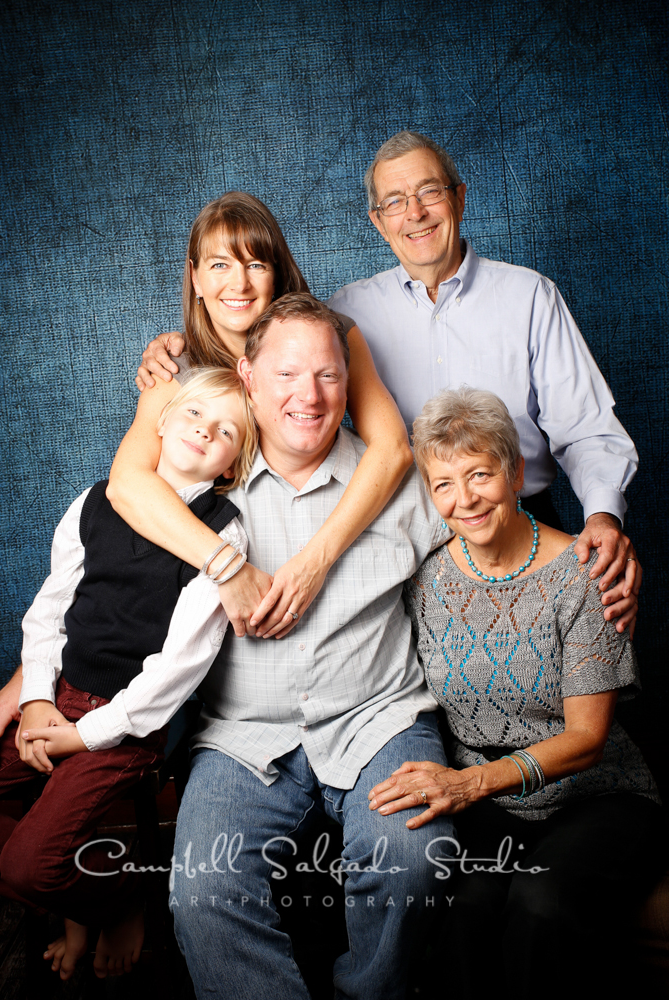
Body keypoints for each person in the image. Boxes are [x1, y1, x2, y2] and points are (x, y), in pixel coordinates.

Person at [139, 140, 639, 633]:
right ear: (377, 221)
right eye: (394, 202)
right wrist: (182, 345)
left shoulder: (528, 296)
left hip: (511, 516)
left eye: (429, 192)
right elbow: (279, 342)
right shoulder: (348, 311)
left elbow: (585, 428)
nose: (415, 214)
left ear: (460, 198)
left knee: (582, 642)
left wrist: (602, 519)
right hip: (384, 521)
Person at [168, 293, 452, 1000]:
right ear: (247, 378)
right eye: (289, 374)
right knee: (201, 893)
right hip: (242, 737)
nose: (311, 395)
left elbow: (489, 556)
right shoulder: (202, 486)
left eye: (328, 375)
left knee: (413, 863)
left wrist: (580, 563)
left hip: (379, 721)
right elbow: (107, 589)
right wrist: (32, 686)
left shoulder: (395, 481)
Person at [0, 368, 256, 981]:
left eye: (225, 430)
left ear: (231, 464)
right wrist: (37, 700)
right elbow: (49, 609)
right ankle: (77, 890)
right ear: (162, 422)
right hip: (57, 695)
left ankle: (114, 904)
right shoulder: (95, 501)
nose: (205, 430)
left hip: (127, 726)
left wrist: (85, 735)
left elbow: (177, 670)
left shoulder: (225, 535)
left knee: (27, 866)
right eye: (194, 413)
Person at [368, 386, 662, 999]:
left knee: (540, 904)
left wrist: (471, 782)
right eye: (443, 483)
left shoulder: (583, 575)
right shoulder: (424, 581)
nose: (465, 499)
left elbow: (586, 740)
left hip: (596, 796)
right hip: (489, 809)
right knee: (460, 914)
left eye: (480, 474)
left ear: (517, 472)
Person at [111, 190, 412, 643]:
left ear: (277, 273)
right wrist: (224, 566)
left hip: (328, 544)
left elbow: (392, 450)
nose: (240, 285)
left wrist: (316, 561)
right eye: (219, 266)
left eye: (255, 265)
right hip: (209, 594)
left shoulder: (331, 337)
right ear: (194, 278)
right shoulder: (176, 371)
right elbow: (127, 485)